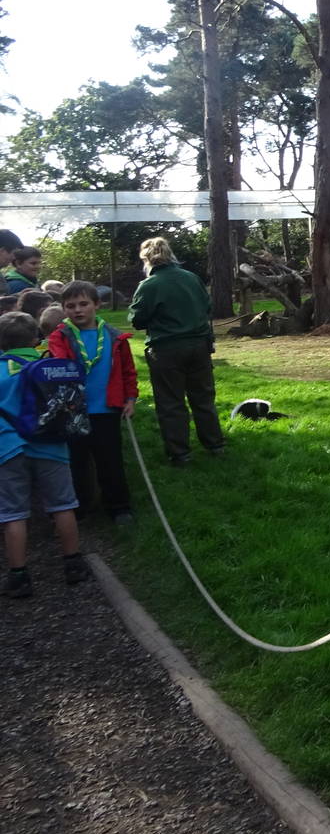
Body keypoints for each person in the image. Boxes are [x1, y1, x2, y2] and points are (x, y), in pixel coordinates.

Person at [0, 312, 89, 598]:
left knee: (13, 513)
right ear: (36, 338)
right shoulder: (53, 367)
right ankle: (73, 564)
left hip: (8, 448)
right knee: (63, 505)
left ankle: (19, 576)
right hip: (51, 444)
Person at [128, 237, 225, 466]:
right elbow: (207, 307)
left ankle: (180, 454)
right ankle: (215, 445)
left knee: (170, 402)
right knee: (203, 399)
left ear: (146, 259)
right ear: (170, 254)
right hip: (199, 346)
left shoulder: (149, 285)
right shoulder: (191, 278)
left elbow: (137, 319)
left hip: (166, 348)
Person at [50, 281, 138, 524]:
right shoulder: (60, 337)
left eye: (83, 304)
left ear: (97, 304)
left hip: (107, 409)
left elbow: (128, 372)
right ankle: (78, 506)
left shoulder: (115, 337)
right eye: (71, 306)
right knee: (76, 461)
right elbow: (58, 366)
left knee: (110, 459)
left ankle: (118, 506)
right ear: (63, 309)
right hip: (73, 410)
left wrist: (130, 398)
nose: (77, 310)